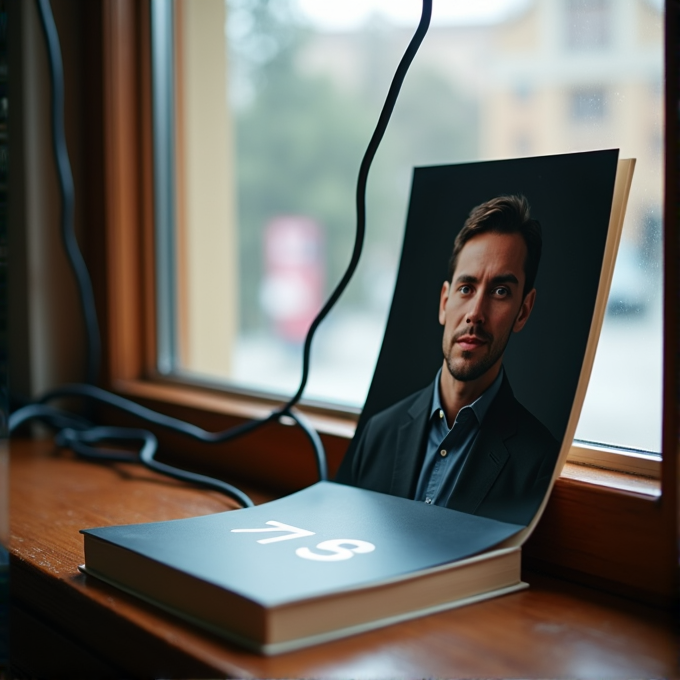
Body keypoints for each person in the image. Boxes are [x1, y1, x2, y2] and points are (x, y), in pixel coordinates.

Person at [335, 195, 560, 526]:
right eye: (467, 288)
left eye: (500, 291)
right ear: (445, 301)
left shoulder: (538, 461)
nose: (475, 314)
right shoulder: (377, 434)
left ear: (523, 311)